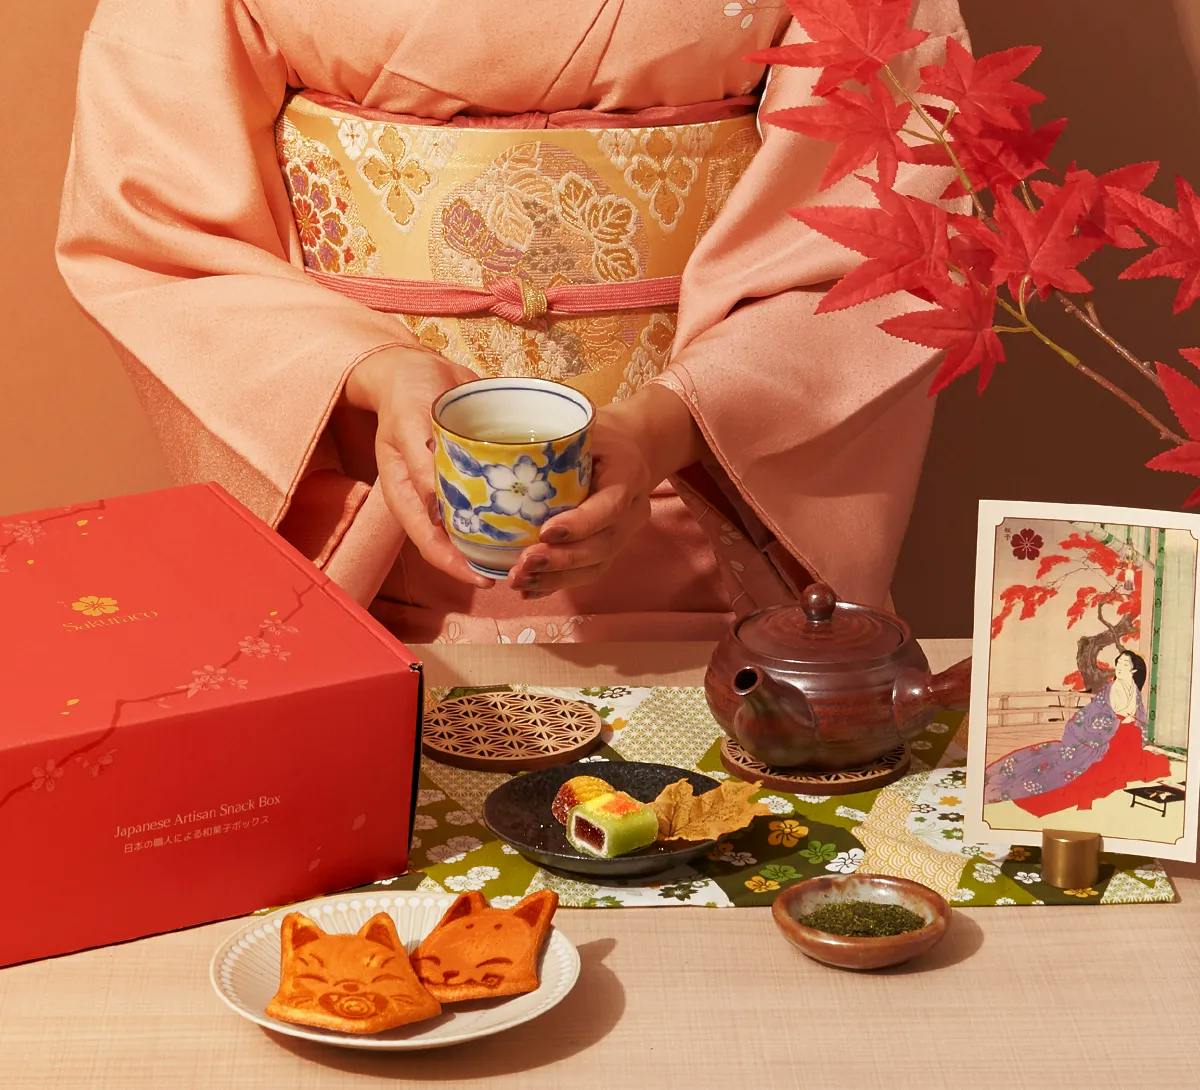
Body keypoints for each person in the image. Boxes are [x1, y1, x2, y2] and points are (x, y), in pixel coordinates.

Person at [57, 0, 966, 645]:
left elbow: (881, 226)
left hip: (707, 484)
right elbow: (161, 223)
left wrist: (664, 427)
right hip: (367, 479)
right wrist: (379, 371)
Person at [984, 650, 1172, 817]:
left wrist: (1143, 739)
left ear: (1134, 671)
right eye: (1118, 662)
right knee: (1075, 774)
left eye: (1124, 664)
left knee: (1158, 763)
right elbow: (1090, 715)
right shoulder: (1109, 690)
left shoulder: (1135, 693)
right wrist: (1117, 723)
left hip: (1128, 742)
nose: (1119, 667)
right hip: (1107, 742)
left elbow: (1141, 719)